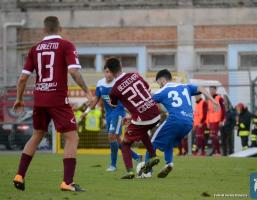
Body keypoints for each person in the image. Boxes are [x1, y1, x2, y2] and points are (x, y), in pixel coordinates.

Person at [13, 16, 93, 192]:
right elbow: (74, 71)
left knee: (37, 135)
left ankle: (19, 175)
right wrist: (87, 91)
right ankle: (67, 182)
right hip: (57, 99)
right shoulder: (66, 45)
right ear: (60, 29)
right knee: (72, 137)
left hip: (40, 99)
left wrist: (19, 99)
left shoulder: (35, 49)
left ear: (44, 30)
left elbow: (23, 78)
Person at [141, 69, 218, 178]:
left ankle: (146, 172)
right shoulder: (185, 86)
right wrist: (213, 100)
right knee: (169, 141)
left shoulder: (162, 91)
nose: (159, 86)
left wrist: (132, 115)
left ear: (162, 80)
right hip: (189, 122)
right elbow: (201, 88)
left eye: (158, 83)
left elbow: (145, 104)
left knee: (152, 142)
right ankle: (169, 163)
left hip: (175, 120)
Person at [81, 63, 142, 172]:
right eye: (107, 72)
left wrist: (132, 112)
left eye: (111, 72)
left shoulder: (118, 83)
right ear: (104, 72)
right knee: (118, 140)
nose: (109, 74)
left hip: (118, 112)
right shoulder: (100, 83)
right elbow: (96, 100)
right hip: (108, 114)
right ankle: (136, 156)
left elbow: (127, 99)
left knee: (111, 136)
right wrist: (86, 111)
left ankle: (113, 165)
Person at [107, 57, 161, 179]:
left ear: (109, 71)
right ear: (121, 65)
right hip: (155, 112)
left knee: (125, 143)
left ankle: (130, 171)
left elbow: (114, 104)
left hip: (143, 118)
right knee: (142, 132)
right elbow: (147, 88)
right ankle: (153, 155)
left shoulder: (114, 90)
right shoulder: (135, 75)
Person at [206, 86, 225, 156]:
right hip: (211, 121)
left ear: (215, 90)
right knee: (212, 136)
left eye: (212, 90)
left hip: (217, 120)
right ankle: (215, 151)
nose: (211, 91)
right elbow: (208, 112)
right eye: (210, 90)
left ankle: (218, 151)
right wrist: (207, 122)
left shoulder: (219, 98)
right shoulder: (209, 100)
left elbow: (223, 110)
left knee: (214, 136)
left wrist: (221, 120)